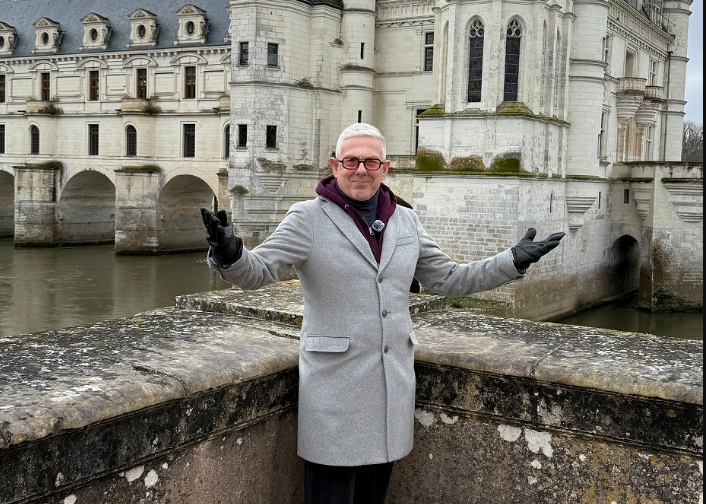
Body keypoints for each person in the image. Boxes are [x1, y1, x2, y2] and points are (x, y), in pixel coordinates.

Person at [200, 123, 565, 504]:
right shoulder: (307, 218)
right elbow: (259, 272)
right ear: (335, 166)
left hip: (391, 393)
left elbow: (449, 278)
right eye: (351, 161)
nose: (361, 169)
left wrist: (511, 261)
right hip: (334, 393)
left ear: (385, 168)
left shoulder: (406, 220)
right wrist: (230, 253)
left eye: (371, 162)